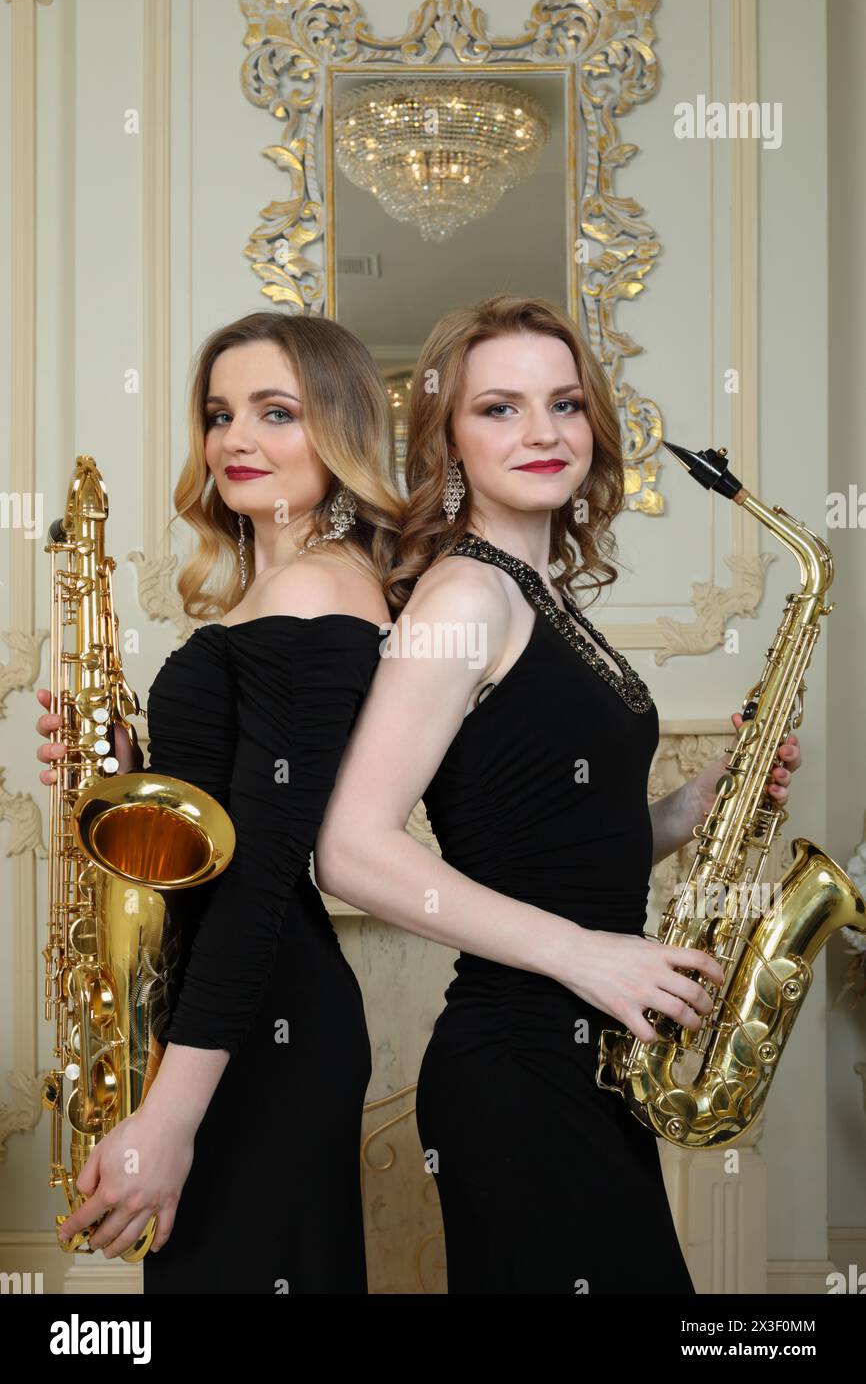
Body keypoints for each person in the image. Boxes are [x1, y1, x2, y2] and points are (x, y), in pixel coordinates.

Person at [315, 293, 801, 1294]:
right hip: (519, 1064)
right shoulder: (463, 595)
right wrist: (586, 955)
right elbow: (351, 849)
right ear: (446, 439)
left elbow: (539, 837)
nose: (541, 431)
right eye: (498, 408)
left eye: (564, 403)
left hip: (578, 1057)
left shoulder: (539, 593)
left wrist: (691, 809)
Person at [35, 309, 402, 1293]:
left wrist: (168, 1115)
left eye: (275, 412)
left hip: (260, 1014)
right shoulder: (274, 589)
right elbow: (228, 817)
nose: (236, 438)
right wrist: (124, 765)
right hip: (238, 1009)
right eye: (219, 412)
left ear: (339, 431)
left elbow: (262, 871)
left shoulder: (318, 592)